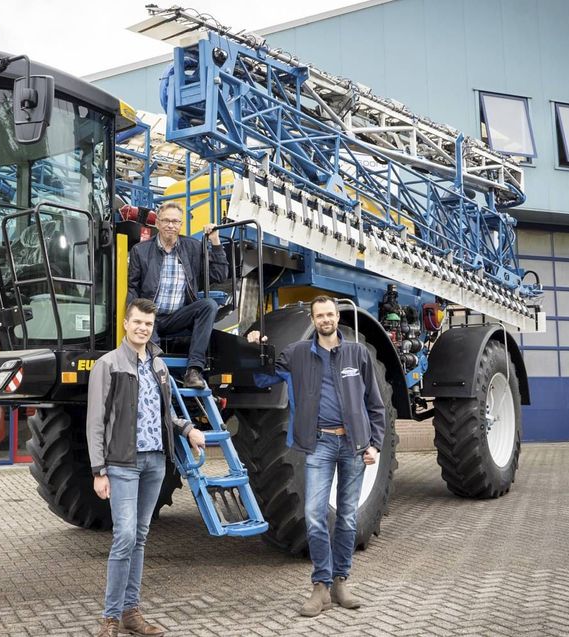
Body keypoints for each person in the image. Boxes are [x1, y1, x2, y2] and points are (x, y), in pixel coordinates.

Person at [248, 296, 386, 617]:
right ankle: (320, 586)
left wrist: (374, 444)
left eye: (330, 314)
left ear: (337, 317)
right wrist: (257, 347)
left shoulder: (357, 354)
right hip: (320, 444)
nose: (325, 319)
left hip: (353, 445)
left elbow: (375, 403)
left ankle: (341, 582)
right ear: (313, 319)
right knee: (314, 515)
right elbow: (264, 377)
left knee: (348, 517)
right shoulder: (297, 354)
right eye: (319, 315)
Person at [87, 298, 207, 637]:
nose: (143, 328)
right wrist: (99, 471)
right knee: (124, 536)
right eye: (137, 322)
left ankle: (131, 612)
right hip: (122, 463)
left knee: (139, 536)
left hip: (155, 461)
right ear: (126, 324)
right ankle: (109, 618)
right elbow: (96, 421)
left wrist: (187, 429)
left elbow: (163, 414)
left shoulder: (159, 367)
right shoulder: (108, 365)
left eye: (148, 324)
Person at [127, 201, 229, 389]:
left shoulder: (193, 247)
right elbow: (132, 288)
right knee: (155, 363)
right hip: (150, 317)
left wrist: (215, 241)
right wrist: (133, 318)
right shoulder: (140, 251)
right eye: (166, 221)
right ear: (157, 223)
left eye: (175, 221)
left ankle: (194, 370)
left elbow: (219, 275)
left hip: (177, 317)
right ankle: (157, 370)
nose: (171, 225)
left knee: (208, 305)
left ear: (181, 225)